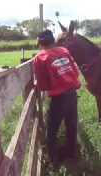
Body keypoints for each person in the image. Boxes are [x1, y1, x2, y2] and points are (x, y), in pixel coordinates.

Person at [33, 29, 81, 165]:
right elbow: (75, 74)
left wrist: (55, 81)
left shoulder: (40, 57)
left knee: (52, 131)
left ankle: (54, 161)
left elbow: (42, 85)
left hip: (58, 98)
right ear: (53, 40)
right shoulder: (64, 51)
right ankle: (72, 157)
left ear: (40, 43)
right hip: (72, 94)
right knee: (71, 127)